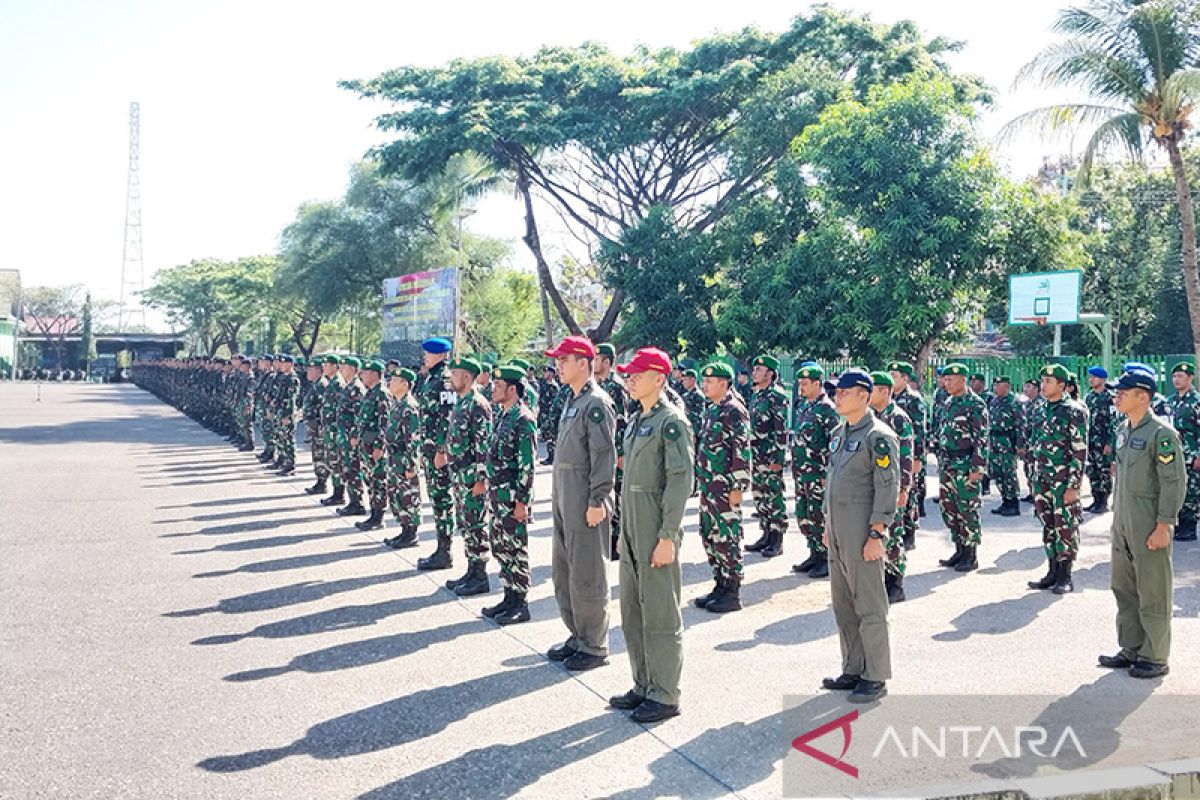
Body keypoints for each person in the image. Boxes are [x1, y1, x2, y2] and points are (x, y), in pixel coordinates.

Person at [608, 347, 693, 723]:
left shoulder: (671, 422)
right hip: (632, 524)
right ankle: (643, 684)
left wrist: (668, 536)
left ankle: (665, 693)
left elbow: (680, 481)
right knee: (633, 609)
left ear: (659, 378)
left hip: (655, 525)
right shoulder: (638, 419)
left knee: (659, 611)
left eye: (638, 374)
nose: (630, 379)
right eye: (629, 374)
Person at [1099, 369, 1186, 679]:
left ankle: (1155, 655)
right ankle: (1132, 647)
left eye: (1124, 391)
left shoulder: (1161, 435)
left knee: (1153, 590)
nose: (1117, 395)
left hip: (1149, 524)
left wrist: (1164, 526)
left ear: (1143, 397)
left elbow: (1174, 483)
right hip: (1123, 522)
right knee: (1124, 587)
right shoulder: (1124, 430)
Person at [819, 369, 899, 704]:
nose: (837, 397)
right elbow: (833, 480)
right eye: (835, 392)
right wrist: (826, 525)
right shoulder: (839, 433)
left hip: (862, 529)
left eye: (844, 392)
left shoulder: (878, 436)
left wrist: (877, 532)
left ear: (864, 396)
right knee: (844, 604)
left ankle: (876, 674)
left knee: (869, 604)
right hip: (838, 529)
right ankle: (853, 668)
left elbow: (887, 486)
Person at [545, 336, 617, 672]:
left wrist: (598, 499)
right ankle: (577, 635)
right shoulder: (573, 400)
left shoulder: (596, 403)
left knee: (588, 570)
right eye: (558, 360)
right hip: (565, 493)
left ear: (584, 364)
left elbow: (604, 456)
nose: (558, 365)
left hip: (585, 496)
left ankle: (594, 643)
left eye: (564, 360)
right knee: (565, 569)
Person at [481, 364, 539, 625]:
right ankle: (508, 597)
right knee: (501, 547)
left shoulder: (523, 419)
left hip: (513, 497)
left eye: (499, 386)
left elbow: (528, 465)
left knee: (516, 549)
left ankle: (521, 603)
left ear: (512, 389)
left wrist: (522, 502)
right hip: (497, 496)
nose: (493, 389)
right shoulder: (503, 415)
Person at [692, 361, 751, 613]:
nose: (704, 385)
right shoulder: (713, 409)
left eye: (709, 381)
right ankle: (720, 584)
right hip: (709, 487)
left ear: (724, 383)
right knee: (710, 536)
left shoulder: (733, 410)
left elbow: (741, 450)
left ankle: (732, 591)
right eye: (704, 381)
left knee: (728, 536)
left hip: (726, 488)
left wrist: (739, 486)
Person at [1026, 365, 1088, 595]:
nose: (1043, 385)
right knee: (1048, 524)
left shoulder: (1074, 410)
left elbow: (1079, 451)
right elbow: (1035, 443)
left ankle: (1065, 575)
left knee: (1065, 526)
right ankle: (1052, 571)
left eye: (1048, 381)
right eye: (1042, 381)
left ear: (1061, 386)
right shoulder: (1040, 409)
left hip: (1063, 480)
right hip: (1042, 478)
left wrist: (1073, 486)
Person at [442, 357, 494, 597]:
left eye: (454, 374)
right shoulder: (461, 402)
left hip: (473, 477)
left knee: (476, 524)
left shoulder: (478, 404)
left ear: (466, 376)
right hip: (460, 475)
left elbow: (483, 445)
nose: (450, 378)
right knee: (466, 525)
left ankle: (480, 575)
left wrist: (482, 480)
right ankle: (471, 570)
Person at [936, 363, 989, 572]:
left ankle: (971, 554)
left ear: (962, 380)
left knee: (967, 509)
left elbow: (981, 438)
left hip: (966, 464)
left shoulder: (975, 404)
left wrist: (978, 467)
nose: (946, 383)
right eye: (945, 379)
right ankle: (959, 549)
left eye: (950, 379)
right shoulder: (949, 402)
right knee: (949, 508)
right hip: (948, 463)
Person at [790, 364, 840, 579]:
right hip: (802, 473)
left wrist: (830, 476)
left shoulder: (828, 409)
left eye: (805, 384)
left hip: (819, 474)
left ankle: (826, 558)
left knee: (820, 516)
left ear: (817, 384)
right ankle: (814, 552)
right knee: (804, 515)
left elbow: (835, 445)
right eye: (799, 383)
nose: (800, 387)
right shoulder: (803, 406)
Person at [868, 372, 914, 604]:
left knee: (893, 533)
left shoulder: (898, 418)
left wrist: (904, 489)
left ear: (885, 391)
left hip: (892, 485)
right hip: (872, 485)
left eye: (872, 389)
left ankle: (895, 583)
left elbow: (906, 456)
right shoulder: (869, 417)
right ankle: (879, 578)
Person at [415, 337, 458, 571]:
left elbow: (447, 418)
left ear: (441, 355)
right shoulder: (431, 378)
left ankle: (445, 552)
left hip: (439, 453)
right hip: (431, 450)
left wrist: (441, 450)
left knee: (442, 499)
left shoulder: (445, 381)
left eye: (428, 354)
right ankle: (441, 548)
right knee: (436, 499)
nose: (425, 357)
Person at [744, 355, 789, 558]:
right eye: (754, 369)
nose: (754, 372)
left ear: (770, 374)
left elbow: (781, 430)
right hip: (758, 455)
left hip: (771, 456)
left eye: (759, 369)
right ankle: (765, 533)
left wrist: (778, 459)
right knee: (760, 495)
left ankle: (777, 538)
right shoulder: (757, 395)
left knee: (774, 496)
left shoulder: (776, 396)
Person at [596, 343, 631, 560]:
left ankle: (616, 539)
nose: (593, 362)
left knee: (617, 494)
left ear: (607, 362)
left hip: (614, 450)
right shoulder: (596, 385)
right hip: (601, 450)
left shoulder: (616, 387)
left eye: (597, 358)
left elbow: (622, 421)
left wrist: (620, 452)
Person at [383, 367, 422, 549]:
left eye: (394, 380)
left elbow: (412, 439)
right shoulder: (397, 404)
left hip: (404, 460)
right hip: (394, 459)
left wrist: (411, 465)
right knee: (397, 496)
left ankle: (411, 533)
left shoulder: (409, 406)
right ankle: (404, 530)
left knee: (408, 497)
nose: (389, 383)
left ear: (405, 384)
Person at [353, 360, 393, 532]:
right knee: (370, 479)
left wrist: (379, 446)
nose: (362, 375)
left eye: (366, 372)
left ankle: (379, 516)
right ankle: (373, 513)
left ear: (375, 374)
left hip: (375, 446)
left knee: (378, 481)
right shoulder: (370, 393)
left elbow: (385, 423)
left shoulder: (382, 394)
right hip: (366, 444)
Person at [889, 361, 928, 527]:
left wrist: (918, 457)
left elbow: (920, 431)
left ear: (905, 379)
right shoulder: (888, 397)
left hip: (908, 453)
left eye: (894, 376)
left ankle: (910, 529)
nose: (890, 379)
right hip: (891, 453)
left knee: (910, 492)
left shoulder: (913, 399)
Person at [1167, 362, 1200, 541]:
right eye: (1174, 376)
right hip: (1173, 454)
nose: (1176, 380)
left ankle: (1189, 526)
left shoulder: (1197, 401)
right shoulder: (1170, 401)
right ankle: (1178, 524)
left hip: (1191, 454)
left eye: (1180, 376)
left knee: (1191, 490)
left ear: (1190, 378)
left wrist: (1198, 455)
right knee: (1176, 488)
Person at [333, 357, 368, 517]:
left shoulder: (356, 388)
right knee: (346, 468)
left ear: (354, 369)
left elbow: (359, 415)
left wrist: (354, 434)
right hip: (344, 436)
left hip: (351, 437)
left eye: (344, 366)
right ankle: (352, 500)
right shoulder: (348, 387)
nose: (341, 369)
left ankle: (357, 503)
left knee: (353, 469)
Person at [987, 377, 1023, 517]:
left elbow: (1021, 424)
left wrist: (1020, 445)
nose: (996, 388)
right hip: (995, 440)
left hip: (1007, 441)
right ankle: (1005, 500)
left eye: (999, 385)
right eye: (995, 385)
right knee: (997, 472)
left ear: (1007, 387)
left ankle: (1013, 502)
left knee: (1009, 473)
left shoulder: (1014, 402)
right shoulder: (994, 401)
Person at [1084, 366, 1117, 513]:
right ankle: (1095, 499)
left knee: (1104, 471)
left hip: (1103, 441)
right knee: (1092, 470)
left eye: (1094, 377)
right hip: (1090, 440)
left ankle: (1103, 501)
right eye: (1090, 377)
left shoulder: (1110, 398)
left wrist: (1110, 443)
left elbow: (1114, 422)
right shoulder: (1089, 396)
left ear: (1103, 379)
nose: (1091, 380)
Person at [272, 355, 301, 476]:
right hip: (281, 412)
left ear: (290, 365)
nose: (281, 366)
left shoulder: (293, 379)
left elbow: (291, 400)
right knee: (281, 438)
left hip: (287, 414)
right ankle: (283, 460)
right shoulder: (284, 378)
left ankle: (290, 464)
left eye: (284, 364)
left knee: (288, 439)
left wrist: (287, 416)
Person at [1019, 379, 1044, 503]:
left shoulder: (1040, 403)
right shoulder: (1027, 404)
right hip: (1027, 442)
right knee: (1027, 468)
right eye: (1025, 386)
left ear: (1036, 389)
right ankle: (1031, 491)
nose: (1025, 389)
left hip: (1036, 443)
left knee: (1035, 468)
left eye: (1029, 386)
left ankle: (1037, 493)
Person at [538, 365, 564, 466]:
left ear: (552, 374)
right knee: (547, 436)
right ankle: (550, 456)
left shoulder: (553, 386)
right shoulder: (544, 385)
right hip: (544, 414)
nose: (545, 374)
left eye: (547, 372)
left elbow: (555, 403)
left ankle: (552, 457)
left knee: (552, 436)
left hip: (550, 415)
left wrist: (552, 417)